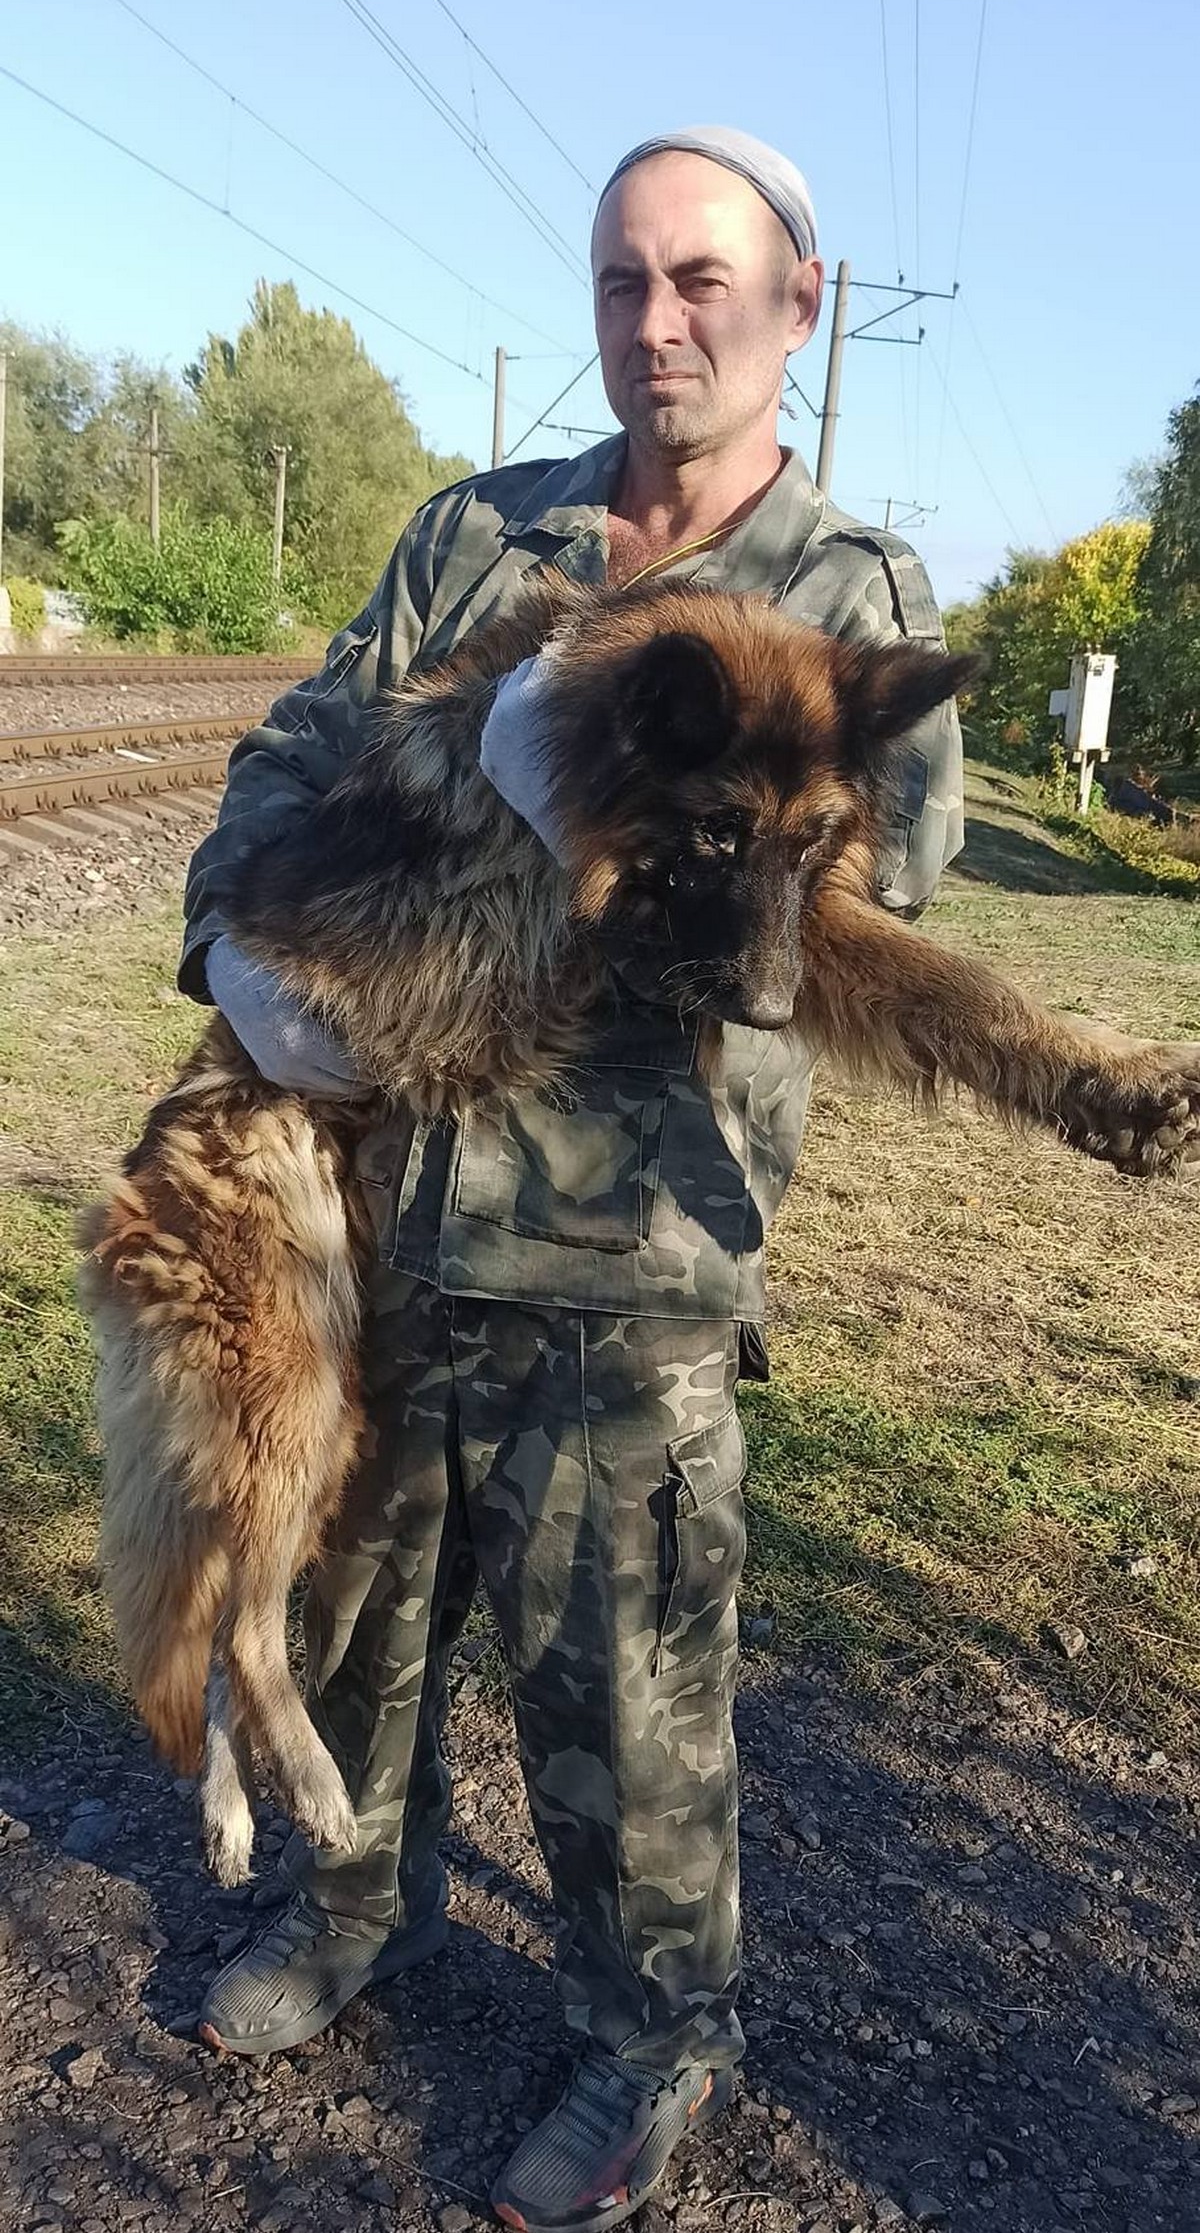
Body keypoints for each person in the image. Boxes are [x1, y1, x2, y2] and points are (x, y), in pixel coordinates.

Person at [184, 129, 963, 2233]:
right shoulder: (478, 537)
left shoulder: (847, 604)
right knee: (349, 1604)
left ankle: (647, 2040)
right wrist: (235, 957)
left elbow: (845, 918)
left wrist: (560, 822)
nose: (655, 322)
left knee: (624, 1686)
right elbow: (286, 754)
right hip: (377, 1199)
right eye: (623, 281)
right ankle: (351, 1909)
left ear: (802, 300)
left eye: (703, 279)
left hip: (625, 1260)